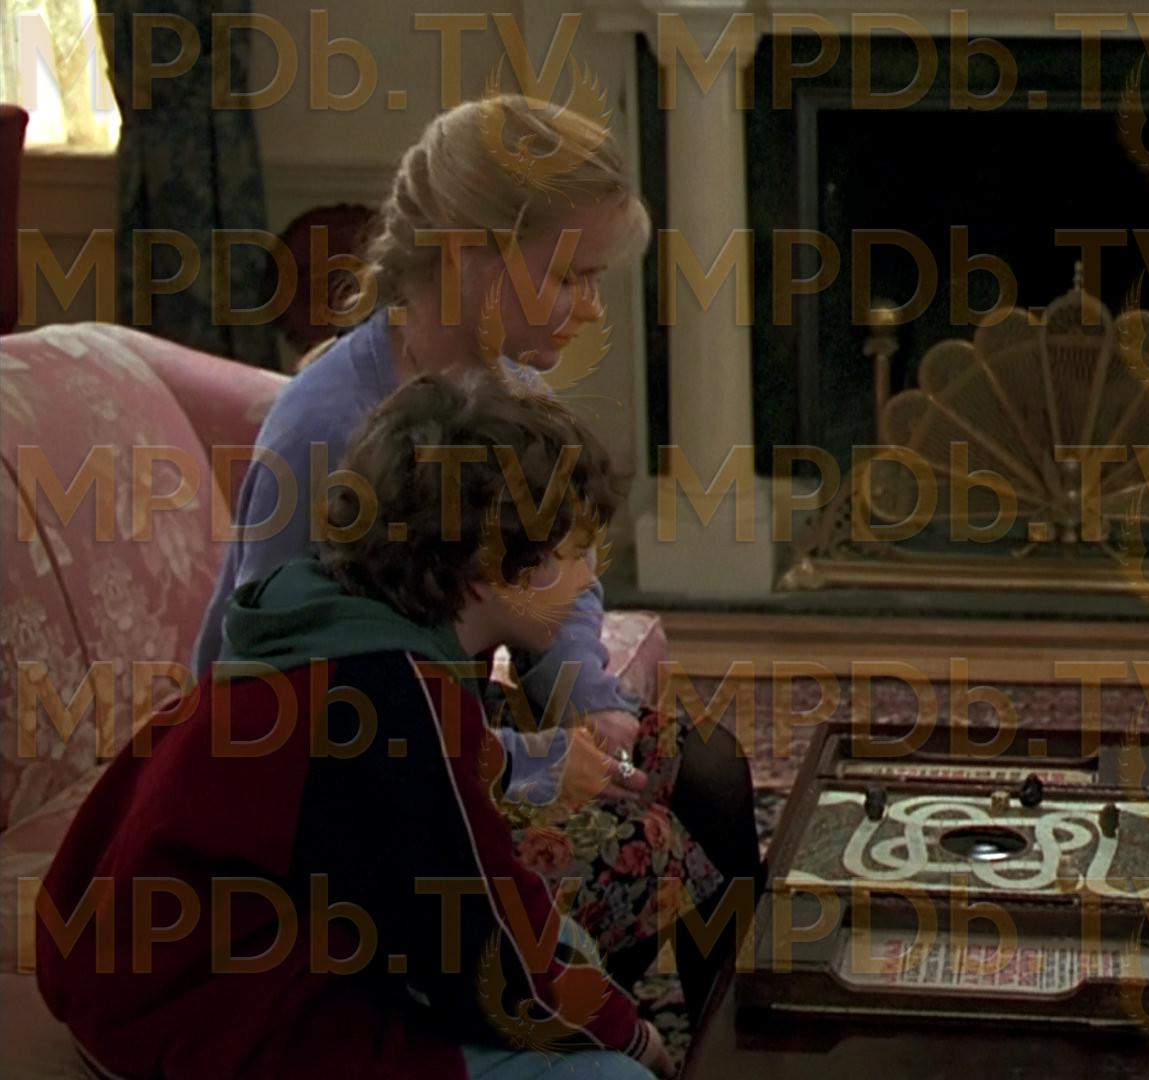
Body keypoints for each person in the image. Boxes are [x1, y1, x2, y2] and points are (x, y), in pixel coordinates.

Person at [187, 95, 762, 1010]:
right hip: (348, 777)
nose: (590, 309)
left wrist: (584, 698)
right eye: (569, 277)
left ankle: (733, 1038)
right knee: (634, 851)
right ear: (464, 258)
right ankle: (540, 1030)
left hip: (450, 722)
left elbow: (559, 573)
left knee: (713, 775)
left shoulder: (512, 388)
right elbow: (284, 704)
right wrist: (528, 763)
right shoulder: (325, 428)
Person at [39, 373, 673, 1079]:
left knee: (563, 945)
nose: (587, 580)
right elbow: (485, 959)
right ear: (487, 570)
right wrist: (633, 1039)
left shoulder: (336, 617)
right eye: (572, 553)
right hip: (207, 1019)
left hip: (160, 983)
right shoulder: (393, 702)